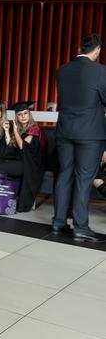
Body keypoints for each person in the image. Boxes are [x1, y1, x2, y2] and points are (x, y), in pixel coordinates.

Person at [53, 33, 106, 242]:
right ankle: (80, 227)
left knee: (64, 174)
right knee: (84, 179)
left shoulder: (62, 70)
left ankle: (58, 221)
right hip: (90, 134)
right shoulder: (100, 71)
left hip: (65, 131)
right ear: (97, 50)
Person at [0, 102, 46, 212]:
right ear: (16, 116)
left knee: (0, 168)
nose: (23, 116)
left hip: (30, 165)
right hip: (18, 161)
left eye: (25, 113)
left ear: (29, 114)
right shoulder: (20, 128)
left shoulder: (34, 128)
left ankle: (1, 202)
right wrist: (7, 131)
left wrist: (14, 130)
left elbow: (22, 146)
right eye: (20, 114)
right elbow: (10, 146)